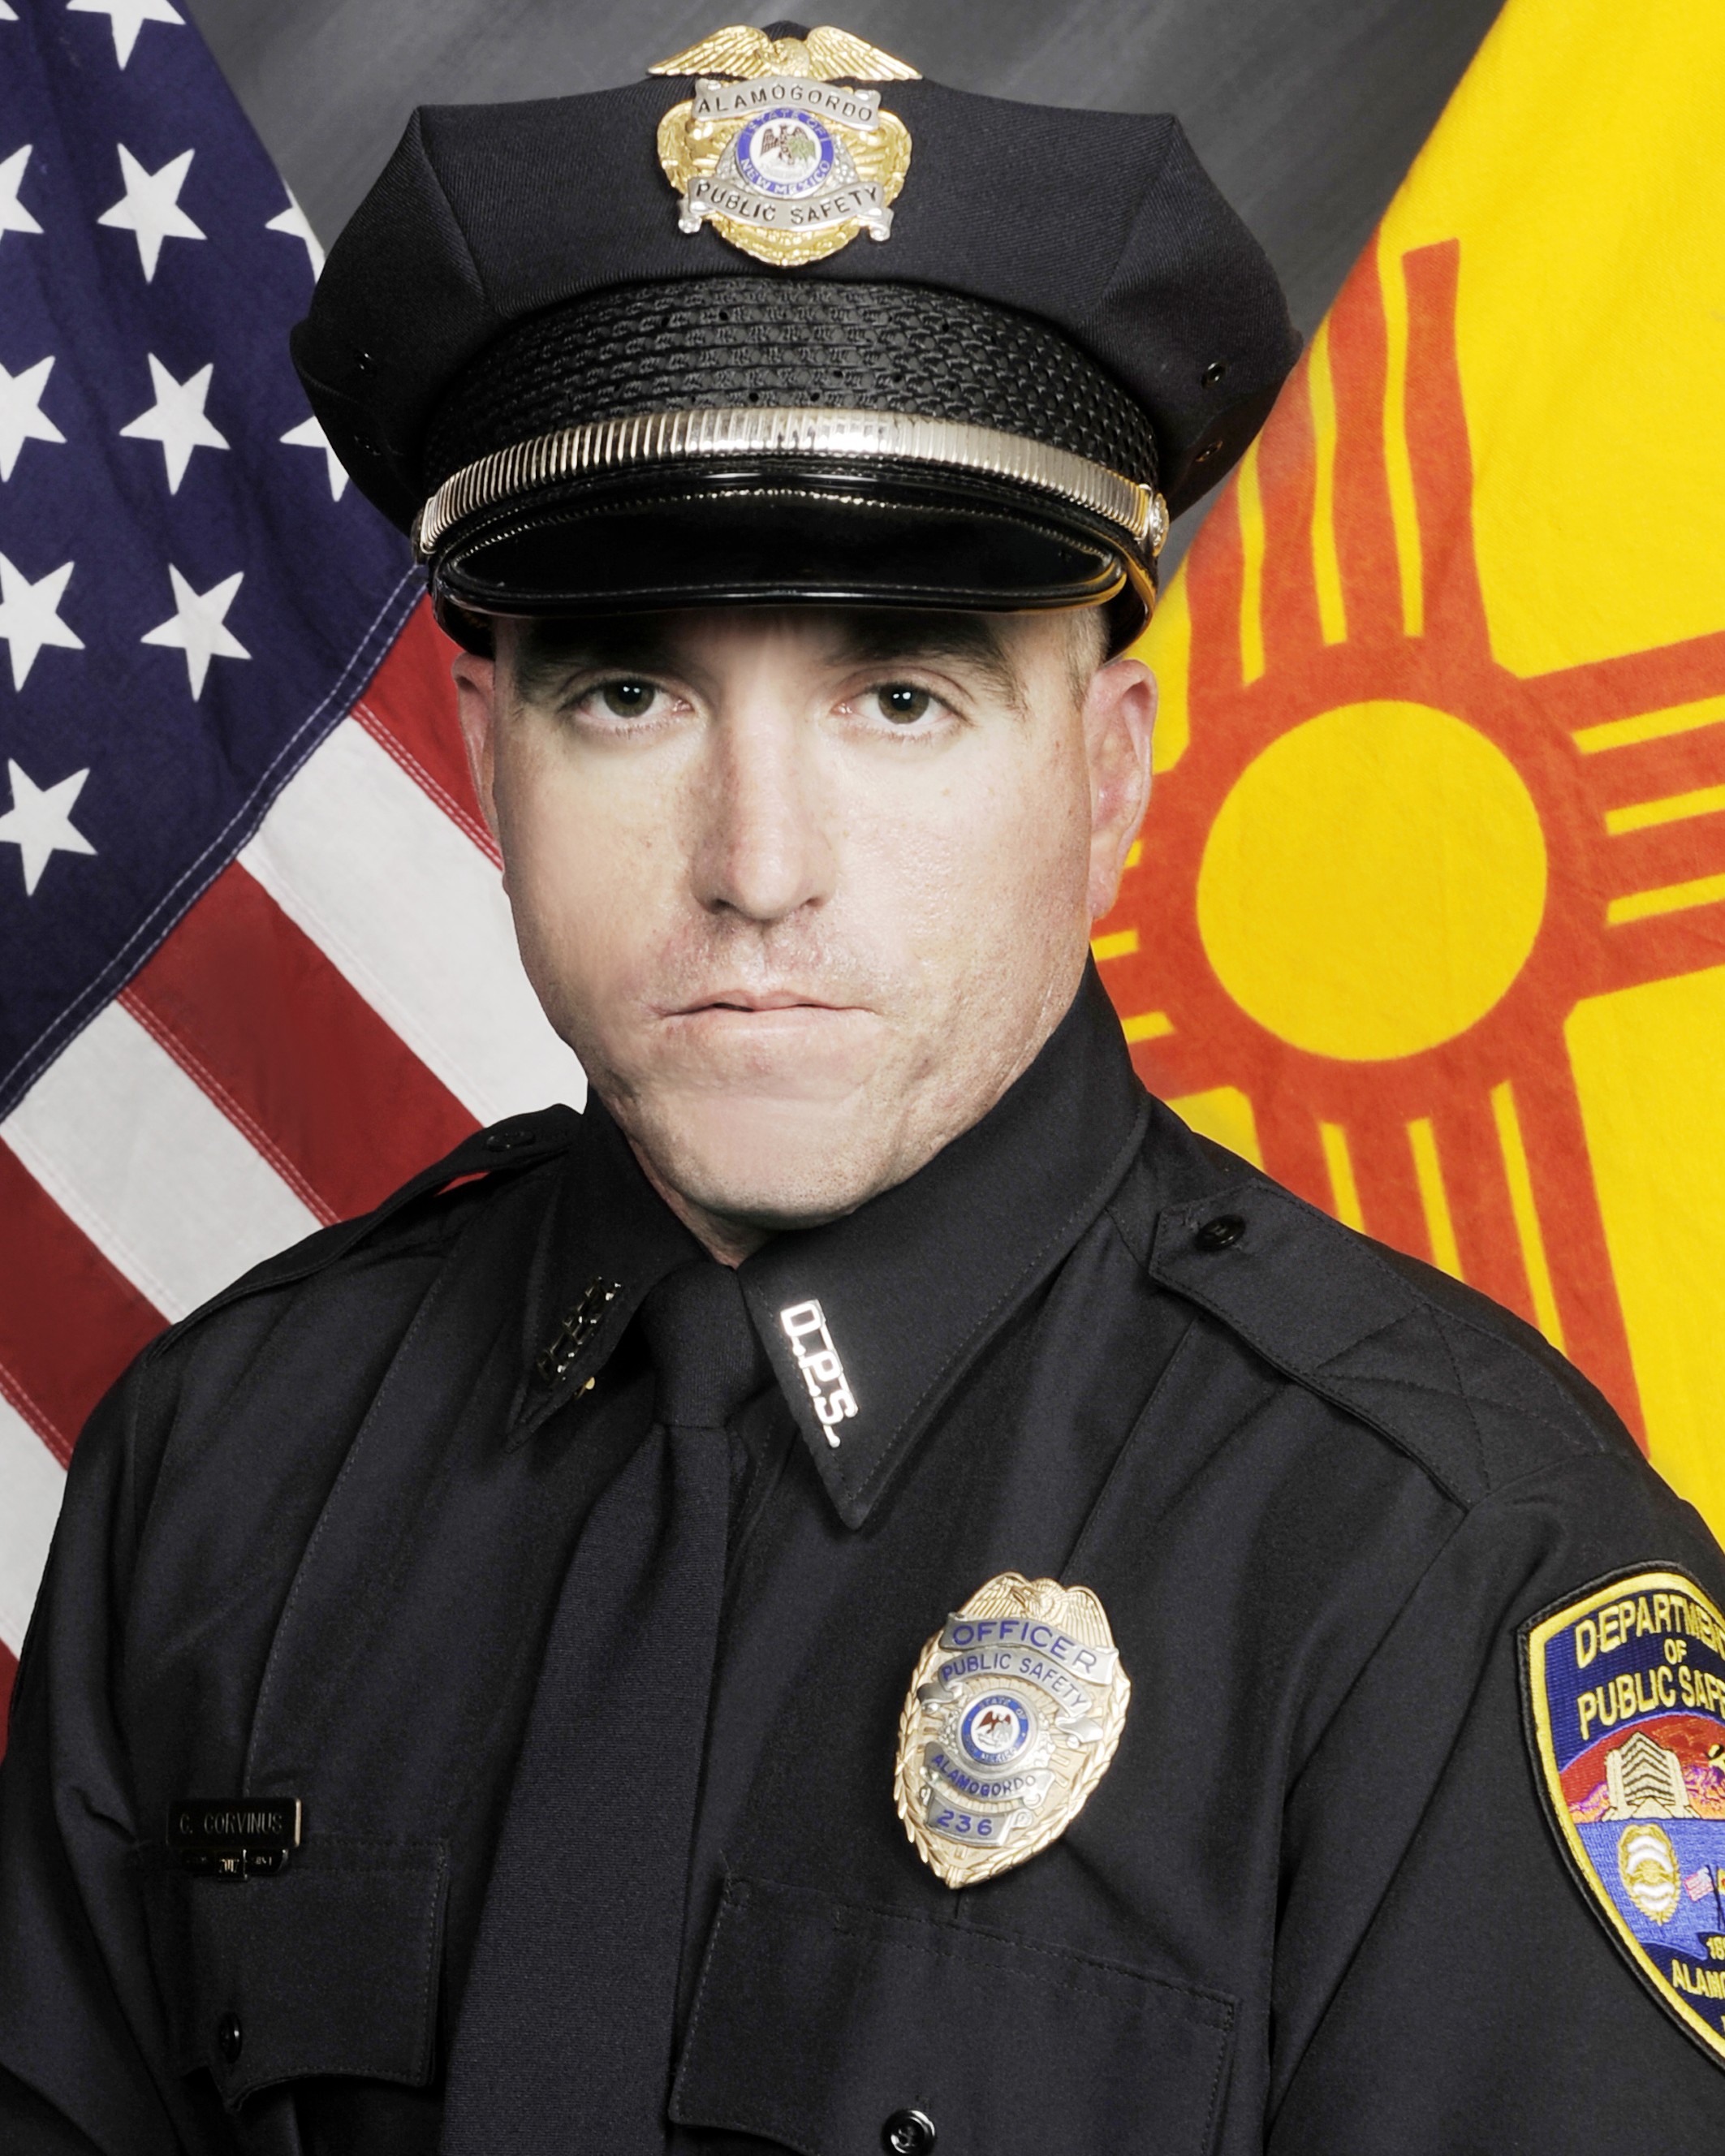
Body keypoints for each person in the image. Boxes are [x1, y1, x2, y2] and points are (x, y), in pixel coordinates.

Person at [3, 19, 1724, 2154]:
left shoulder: (1445, 1569)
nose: (758, 865)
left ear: (1107, 779)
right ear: (486, 765)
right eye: (628, 695)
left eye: (901, 698)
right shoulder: (220, 1468)